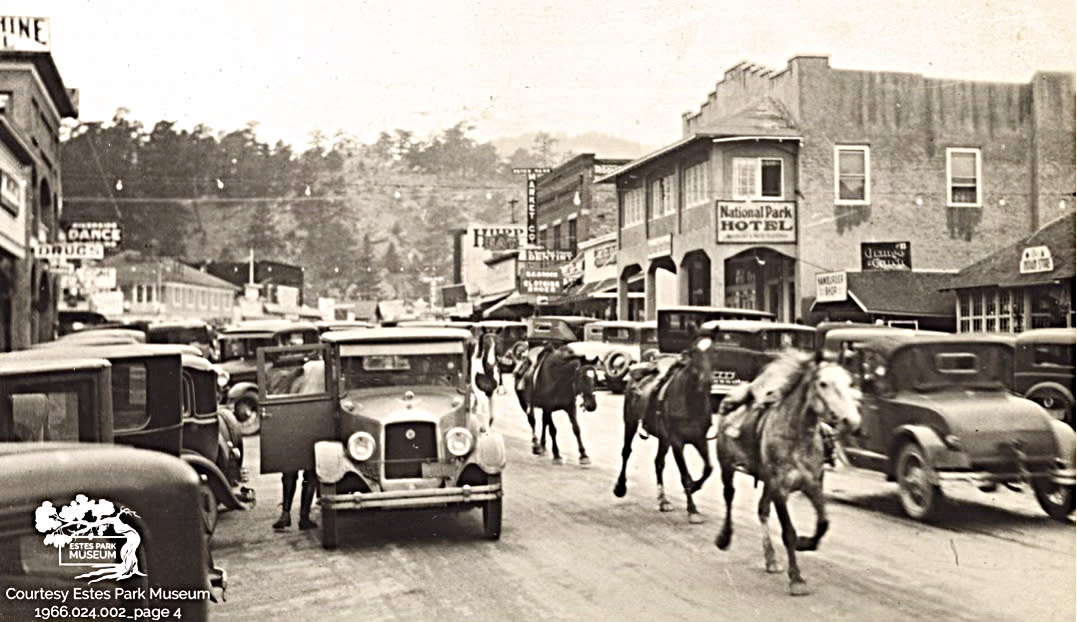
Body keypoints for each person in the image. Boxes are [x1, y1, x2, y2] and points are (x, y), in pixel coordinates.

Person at [272, 358, 324, 531]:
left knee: (289, 472)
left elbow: (288, 392)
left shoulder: (303, 370)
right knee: (310, 474)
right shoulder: (328, 368)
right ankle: (304, 517)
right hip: (316, 421)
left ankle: (285, 514)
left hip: (294, 422)